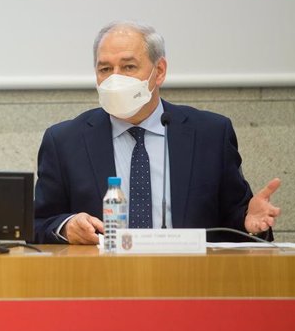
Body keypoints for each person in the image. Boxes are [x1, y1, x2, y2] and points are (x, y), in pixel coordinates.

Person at [34, 21, 281, 244]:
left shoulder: (210, 134)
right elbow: (36, 223)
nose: (115, 79)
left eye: (128, 66)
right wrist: (66, 228)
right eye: (105, 69)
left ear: (159, 71)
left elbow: (235, 219)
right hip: (102, 280)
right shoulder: (65, 141)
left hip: (191, 280)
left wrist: (251, 225)